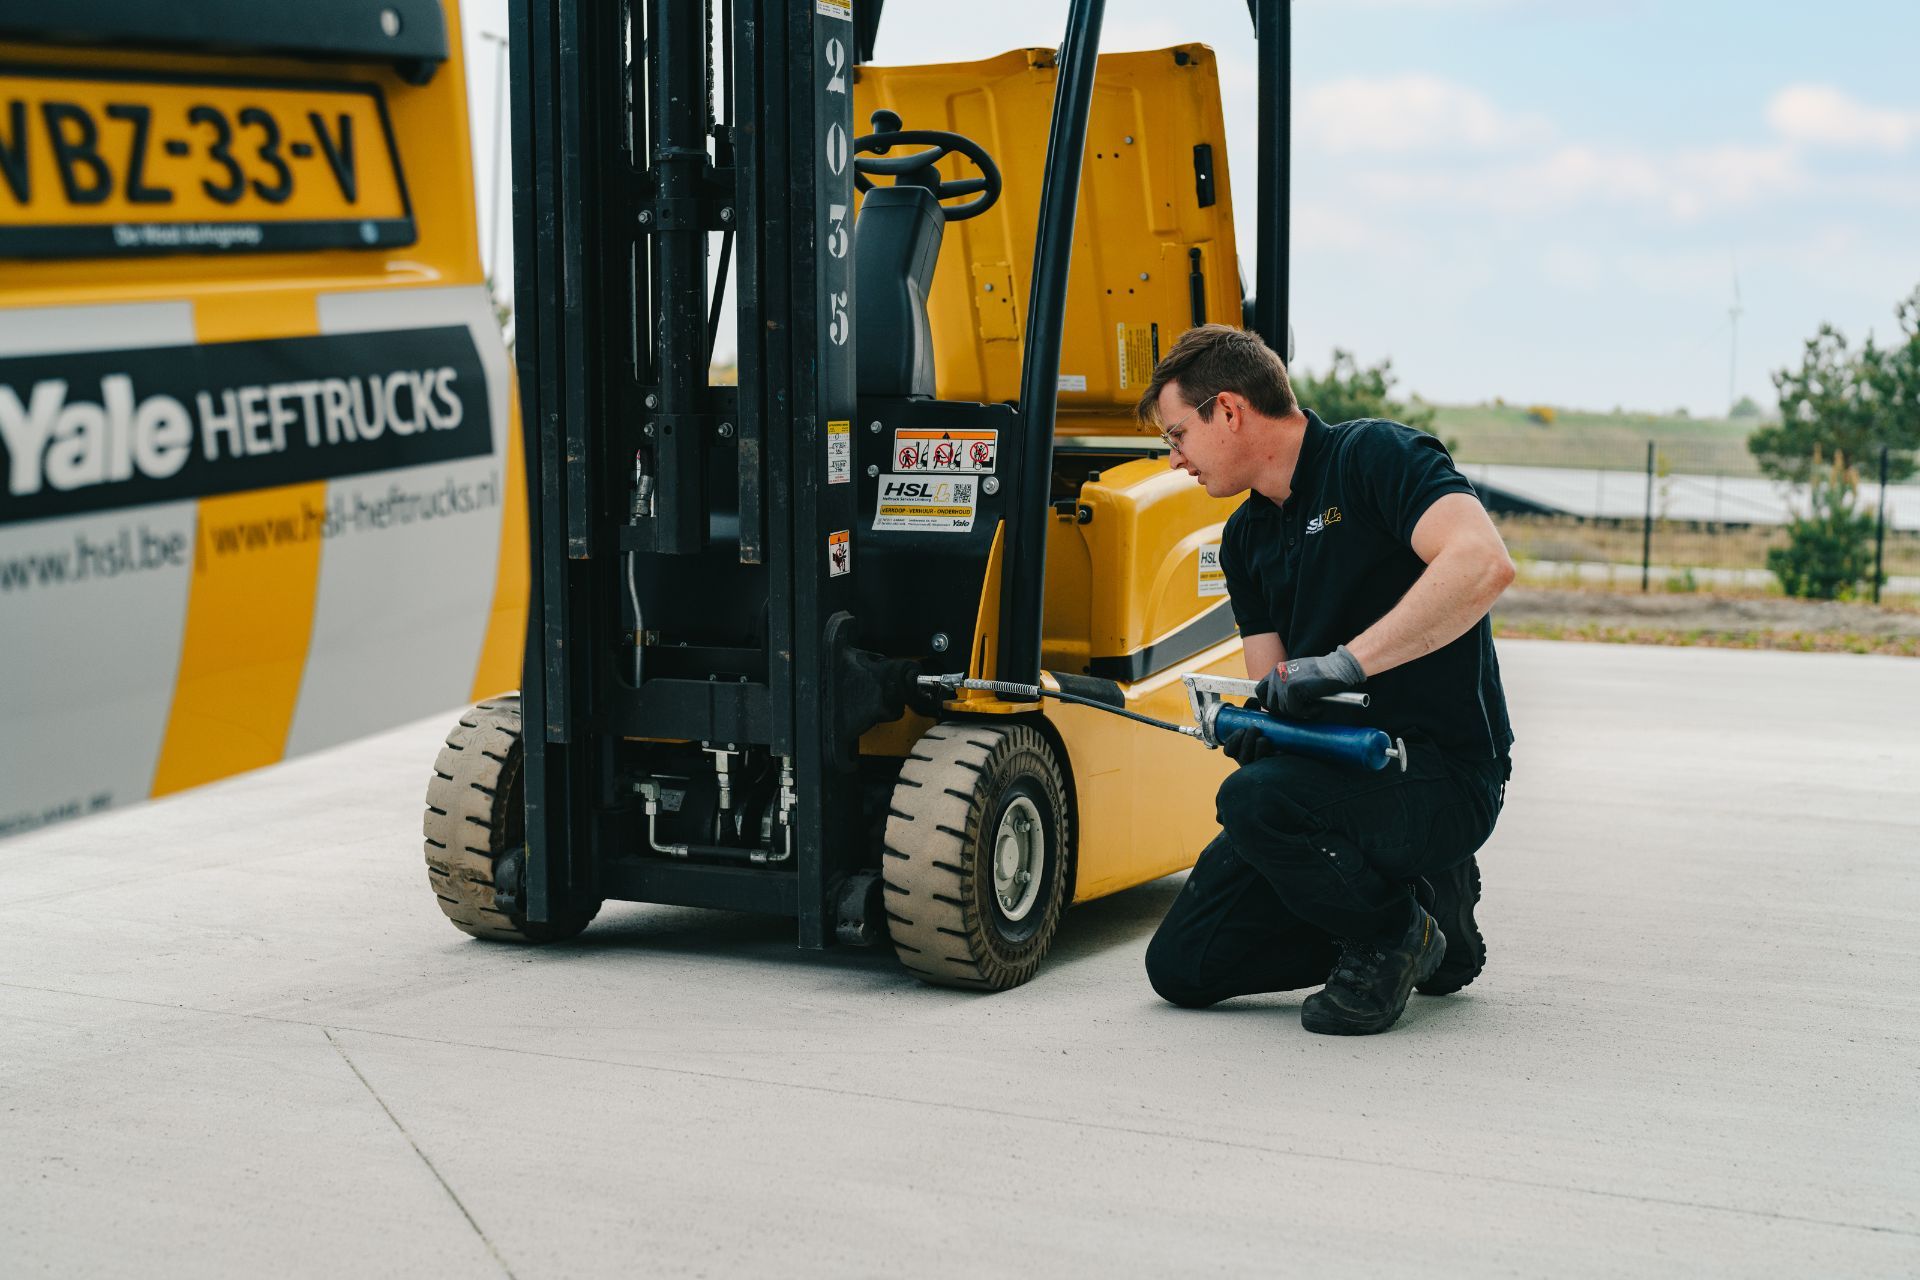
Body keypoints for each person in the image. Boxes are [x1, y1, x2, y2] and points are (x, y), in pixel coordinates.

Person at [1137, 324, 1515, 1036]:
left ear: (1229, 409)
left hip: (1441, 772)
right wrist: (1252, 726)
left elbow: (1482, 563)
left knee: (1253, 801)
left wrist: (1345, 664)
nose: (1174, 458)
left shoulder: (1376, 458)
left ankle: (1392, 933)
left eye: (1177, 434)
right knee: (1182, 967)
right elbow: (1273, 686)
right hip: (1331, 785)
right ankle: (1419, 921)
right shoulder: (1244, 541)